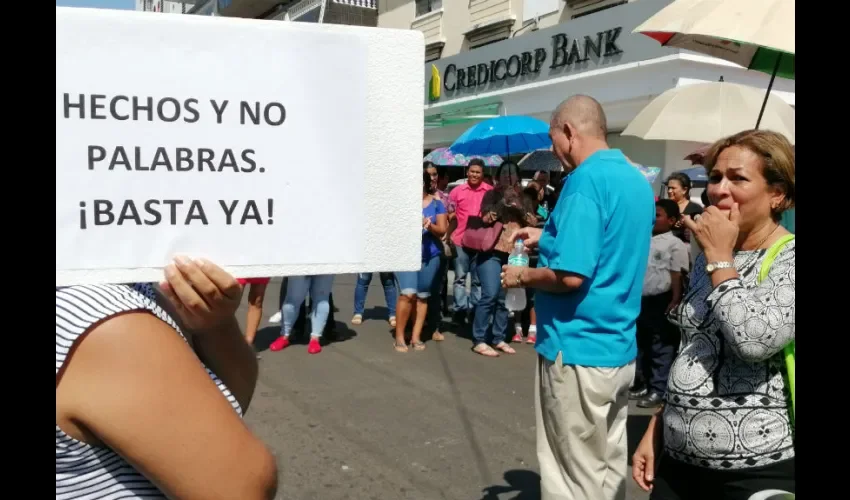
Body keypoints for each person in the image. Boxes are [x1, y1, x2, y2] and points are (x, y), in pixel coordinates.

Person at [502, 95, 655, 500]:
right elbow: (606, 242)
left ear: (568, 132)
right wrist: (546, 235)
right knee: (605, 466)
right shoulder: (634, 179)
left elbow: (570, 276)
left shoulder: (585, 181)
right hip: (618, 348)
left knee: (572, 476)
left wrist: (522, 275)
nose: (555, 152)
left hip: (577, 349)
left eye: (554, 140)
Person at [631, 129, 796, 500]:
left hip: (756, 471)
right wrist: (657, 426)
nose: (719, 190)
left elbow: (754, 340)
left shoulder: (788, 257)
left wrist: (721, 259)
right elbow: (694, 349)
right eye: (716, 177)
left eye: (738, 178)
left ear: (777, 193)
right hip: (679, 461)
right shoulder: (713, 254)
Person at [56, 260, 278, 499]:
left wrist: (217, 326)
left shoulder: (132, 286)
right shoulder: (102, 316)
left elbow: (229, 405)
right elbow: (243, 489)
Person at [631, 199, 689, 408]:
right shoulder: (644, 239)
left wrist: (675, 298)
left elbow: (677, 274)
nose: (653, 219)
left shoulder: (675, 244)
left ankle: (659, 389)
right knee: (642, 344)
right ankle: (642, 384)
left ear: (672, 220)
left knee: (660, 346)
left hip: (662, 300)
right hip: (641, 299)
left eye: (659, 215)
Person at [394, 170, 448, 352]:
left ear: (425, 184)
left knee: (422, 296)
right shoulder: (402, 205)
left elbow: (442, 230)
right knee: (408, 293)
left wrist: (428, 225)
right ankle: (399, 337)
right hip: (405, 255)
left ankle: (416, 337)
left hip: (430, 256)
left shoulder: (436, 204)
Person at [447, 159, 492, 324]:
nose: (474, 174)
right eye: (472, 171)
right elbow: (449, 211)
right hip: (460, 240)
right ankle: (459, 310)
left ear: (482, 174)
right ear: (467, 172)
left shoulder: (489, 192)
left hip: (480, 242)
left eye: (477, 172)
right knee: (459, 277)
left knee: (477, 280)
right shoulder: (457, 191)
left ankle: (474, 311)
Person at [269, 275, 335, 354]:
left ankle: (315, 338)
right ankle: (284, 335)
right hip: (299, 264)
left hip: (325, 265)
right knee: (292, 299)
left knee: (321, 299)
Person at [665, 172, 703, 243]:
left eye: (673, 188)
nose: (669, 191)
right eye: (668, 188)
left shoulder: (695, 209)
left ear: (684, 190)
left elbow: (701, 231)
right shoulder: (664, 206)